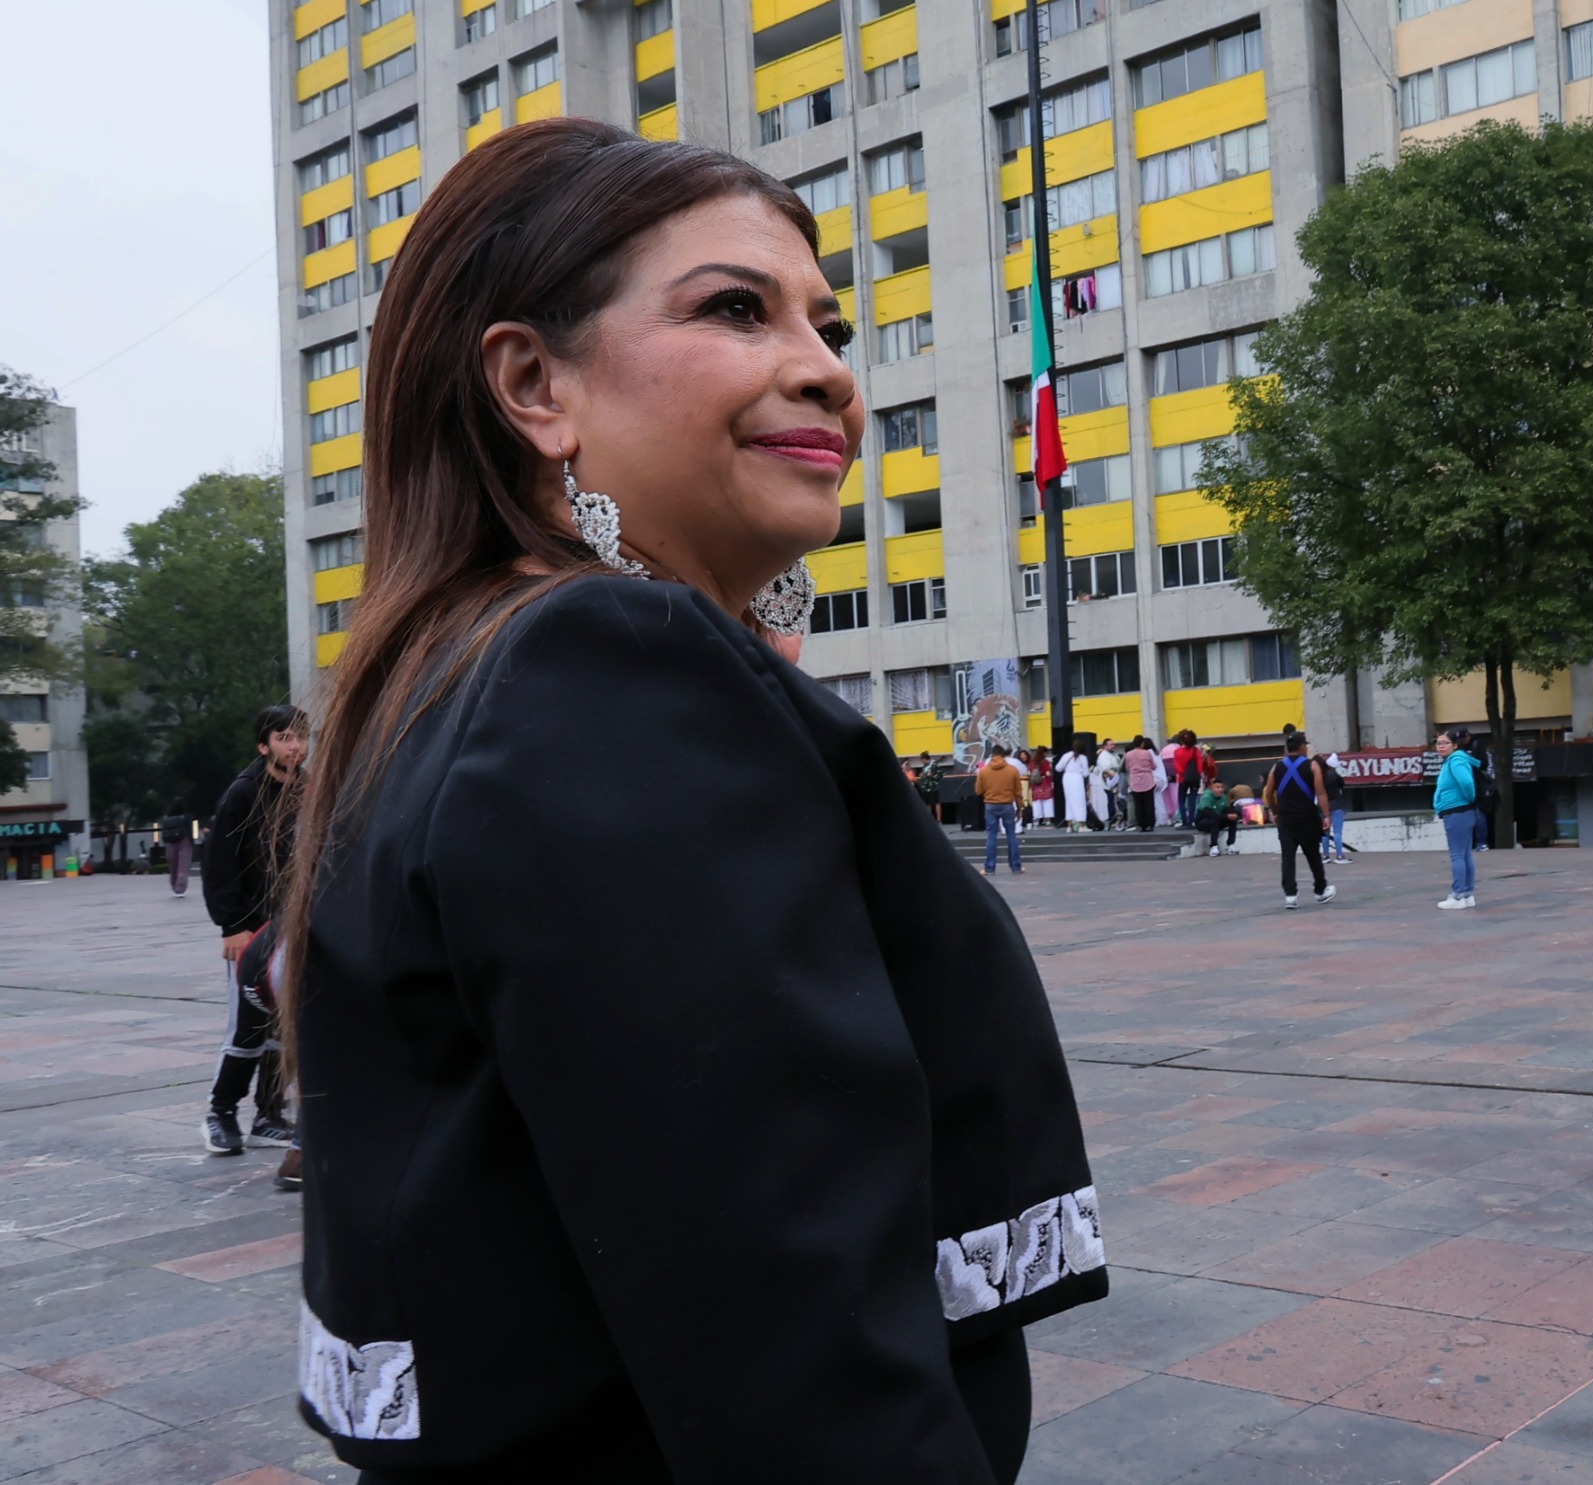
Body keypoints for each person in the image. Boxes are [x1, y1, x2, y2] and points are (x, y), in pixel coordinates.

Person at [279, 121, 1101, 1479]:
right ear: (534, 383)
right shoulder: (606, 670)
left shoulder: (472, 664)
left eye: (828, 324)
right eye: (734, 309)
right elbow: (789, 1327)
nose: (827, 369)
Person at [201, 704, 306, 1161]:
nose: (295, 746)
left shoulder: (309, 788)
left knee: (285, 1027)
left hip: (294, 926)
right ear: (264, 746)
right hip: (251, 930)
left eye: (301, 736)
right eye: (284, 738)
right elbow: (219, 864)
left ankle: (269, 1115)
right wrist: (232, 926)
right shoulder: (242, 794)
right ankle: (220, 1114)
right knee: (246, 1028)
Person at [1261, 733, 1333, 910]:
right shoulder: (1312, 765)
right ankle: (1320, 890)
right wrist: (1326, 816)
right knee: (1313, 856)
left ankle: (1290, 896)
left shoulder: (1277, 767)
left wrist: (1275, 812)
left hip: (1286, 819)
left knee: (1288, 858)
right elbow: (1321, 792)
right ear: (1302, 747)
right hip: (1308, 818)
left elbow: (1269, 793)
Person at [1433, 729, 1481, 910]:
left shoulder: (1456, 760)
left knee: (1457, 855)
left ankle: (1458, 895)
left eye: (1445, 743)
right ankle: (1467, 894)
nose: (1440, 746)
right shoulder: (1454, 760)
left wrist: (1469, 798)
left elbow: (1467, 783)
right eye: (1438, 743)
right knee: (1465, 854)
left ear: (1455, 745)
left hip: (1457, 812)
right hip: (1460, 811)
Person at [977, 743, 1027, 875]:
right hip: (1007, 805)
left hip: (990, 805)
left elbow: (978, 790)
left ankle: (989, 868)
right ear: (1003, 755)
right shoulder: (1012, 770)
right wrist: (1020, 807)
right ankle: (1016, 867)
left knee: (992, 836)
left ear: (992, 755)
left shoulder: (984, 771)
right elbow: (1018, 792)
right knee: (1011, 835)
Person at [1320, 752, 1356, 864]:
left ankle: (1325, 856)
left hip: (1323, 807)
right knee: (1337, 832)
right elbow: (1342, 786)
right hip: (1337, 805)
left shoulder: (1320, 777)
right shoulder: (1336, 776)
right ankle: (1339, 856)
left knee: (1325, 832)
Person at [160, 803, 197, 897]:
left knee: (173, 867)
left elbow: (163, 833)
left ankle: (174, 885)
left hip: (170, 843)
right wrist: (193, 844)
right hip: (184, 841)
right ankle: (180, 888)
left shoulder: (165, 818)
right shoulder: (186, 817)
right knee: (183, 866)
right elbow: (190, 830)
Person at [1125, 736, 1161, 832]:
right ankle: (1150, 823)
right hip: (1147, 779)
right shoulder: (1147, 753)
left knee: (1138, 804)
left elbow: (1128, 768)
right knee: (1149, 803)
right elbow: (1154, 766)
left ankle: (1142, 824)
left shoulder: (1128, 755)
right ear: (1142, 743)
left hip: (1135, 780)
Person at [1191, 786, 1239, 855]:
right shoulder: (1206, 798)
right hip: (1202, 822)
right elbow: (1210, 814)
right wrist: (1226, 816)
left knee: (1232, 820)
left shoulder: (1223, 797)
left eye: (1222, 787)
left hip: (1217, 819)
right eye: (1217, 787)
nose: (1220, 790)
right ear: (1212, 788)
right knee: (1214, 821)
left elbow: (1226, 809)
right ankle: (1213, 847)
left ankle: (1230, 845)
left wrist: (1234, 814)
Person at [1095, 739, 1125, 830]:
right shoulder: (1104, 756)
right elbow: (1107, 769)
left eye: (1113, 744)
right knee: (1111, 801)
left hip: (1116, 779)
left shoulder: (1114, 754)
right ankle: (1112, 820)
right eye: (1110, 745)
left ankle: (1117, 820)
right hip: (1110, 782)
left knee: (1115, 801)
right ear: (1105, 746)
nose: (1113, 746)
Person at [1029, 746, 1056, 828]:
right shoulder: (1046, 762)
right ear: (1044, 753)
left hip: (1035, 785)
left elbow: (1030, 771)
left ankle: (1036, 819)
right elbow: (1048, 773)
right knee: (1047, 801)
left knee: (1037, 802)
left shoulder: (1032, 762)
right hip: (1045, 783)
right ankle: (1047, 819)